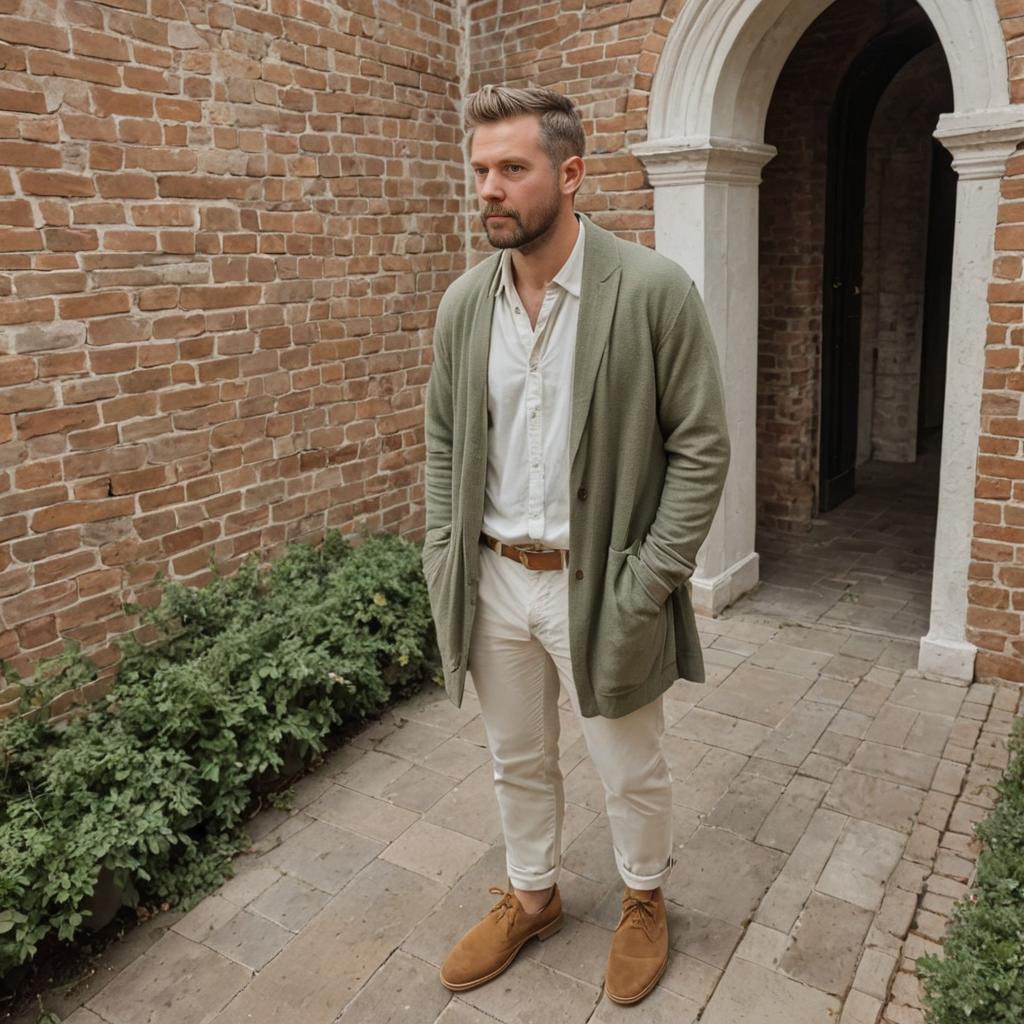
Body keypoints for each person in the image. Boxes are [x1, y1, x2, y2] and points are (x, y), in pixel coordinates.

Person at [421, 84, 730, 1006]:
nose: (489, 189)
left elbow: (702, 446)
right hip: (494, 578)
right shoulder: (464, 305)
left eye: (512, 169)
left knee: (629, 764)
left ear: (571, 172)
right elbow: (444, 438)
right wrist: (446, 551)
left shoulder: (650, 290)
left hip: (605, 586)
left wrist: (650, 581)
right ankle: (533, 894)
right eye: (480, 171)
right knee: (516, 758)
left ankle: (643, 899)